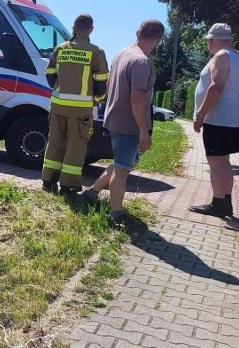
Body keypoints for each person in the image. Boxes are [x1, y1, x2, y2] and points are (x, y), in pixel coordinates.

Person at [80, 19, 165, 226]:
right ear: (159, 40)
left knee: (125, 162)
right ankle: (116, 215)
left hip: (114, 119)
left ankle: (91, 194)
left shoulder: (121, 54)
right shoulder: (142, 62)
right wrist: (144, 130)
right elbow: (136, 98)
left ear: (137, 32)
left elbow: (109, 85)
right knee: (122, 170)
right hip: (130, 124)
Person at [41, 14, 110, 194]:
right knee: (76, 146)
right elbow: (101, 83)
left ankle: (48, 181)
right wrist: (95, 100)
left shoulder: (60, 49)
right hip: (81, 111)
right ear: (91, 30)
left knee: (55, 142)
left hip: (57, 107)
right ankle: (69, 185)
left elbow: (50, 77)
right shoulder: (96, 52)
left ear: (73, 28)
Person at [189, 23, 239, 217]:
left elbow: (216, 87)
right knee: (224, 161)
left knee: (215, 161)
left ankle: (217, 203)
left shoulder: (221, 56)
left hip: (217, 118)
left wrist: (200, 114)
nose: (208, 45)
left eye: (208, 41)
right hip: (231, 119)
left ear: (213, 40)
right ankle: (226, 202)